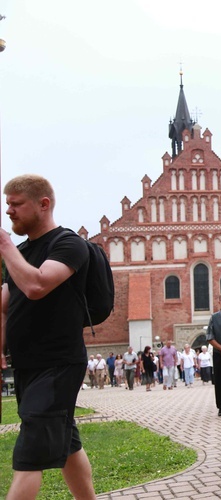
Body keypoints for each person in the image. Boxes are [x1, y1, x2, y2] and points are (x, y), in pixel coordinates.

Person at [0, 174, 96, 499]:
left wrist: (4, 245)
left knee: (29, 453)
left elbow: (37, 285)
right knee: (66, 440)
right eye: (7, 204)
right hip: (28, 364)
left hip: (58, 363)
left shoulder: (68, 244)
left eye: (16, 204)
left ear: (43, 204)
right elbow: (6, 301)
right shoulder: (22, 251)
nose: (9, 211)